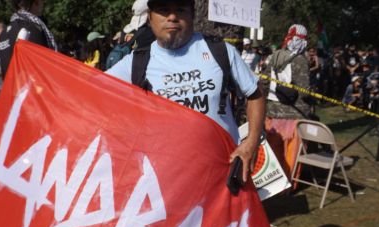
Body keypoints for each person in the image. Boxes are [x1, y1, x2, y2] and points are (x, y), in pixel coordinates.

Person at [106, 0, 265, 181]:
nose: (172, 17)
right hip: (166, 181)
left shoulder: (220, 51)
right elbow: (89, 92)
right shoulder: (135, 62)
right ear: (150, 18)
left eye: (180, 10)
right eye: (164, 10)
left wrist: (251, 143)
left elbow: (255, 94)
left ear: (192, 15)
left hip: (222, 176)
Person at [0, 0, 57, 78]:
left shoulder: (4, 33)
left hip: (11, 87)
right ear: (36, 2)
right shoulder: (32, 28)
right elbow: (42, 67)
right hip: (30, 87)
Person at [264, 24, 311, 119]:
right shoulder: (300, 60)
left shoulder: (275, 56)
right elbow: (304, 93)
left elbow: (264, 81)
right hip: (294, 114)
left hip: (273, 111)